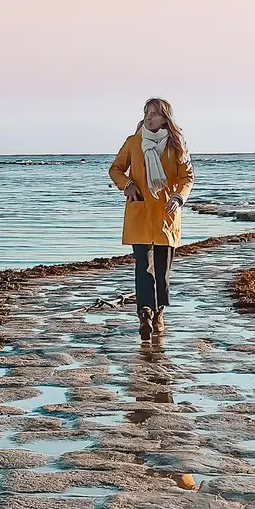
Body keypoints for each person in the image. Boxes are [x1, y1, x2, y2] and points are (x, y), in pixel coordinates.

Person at [108, 97, 194, 340]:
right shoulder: (134, 143)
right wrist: (127, 185)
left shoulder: (176, 145)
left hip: (166, 214)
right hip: (140, 211)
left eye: (155, 113)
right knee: (143, 269)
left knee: (162, 273)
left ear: (165, 118)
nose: (149, 117)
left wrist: (179, 197)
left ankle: (159, 312)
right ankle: (145, 313)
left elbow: (187, 177)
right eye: (147, 112)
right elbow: (115, 169)